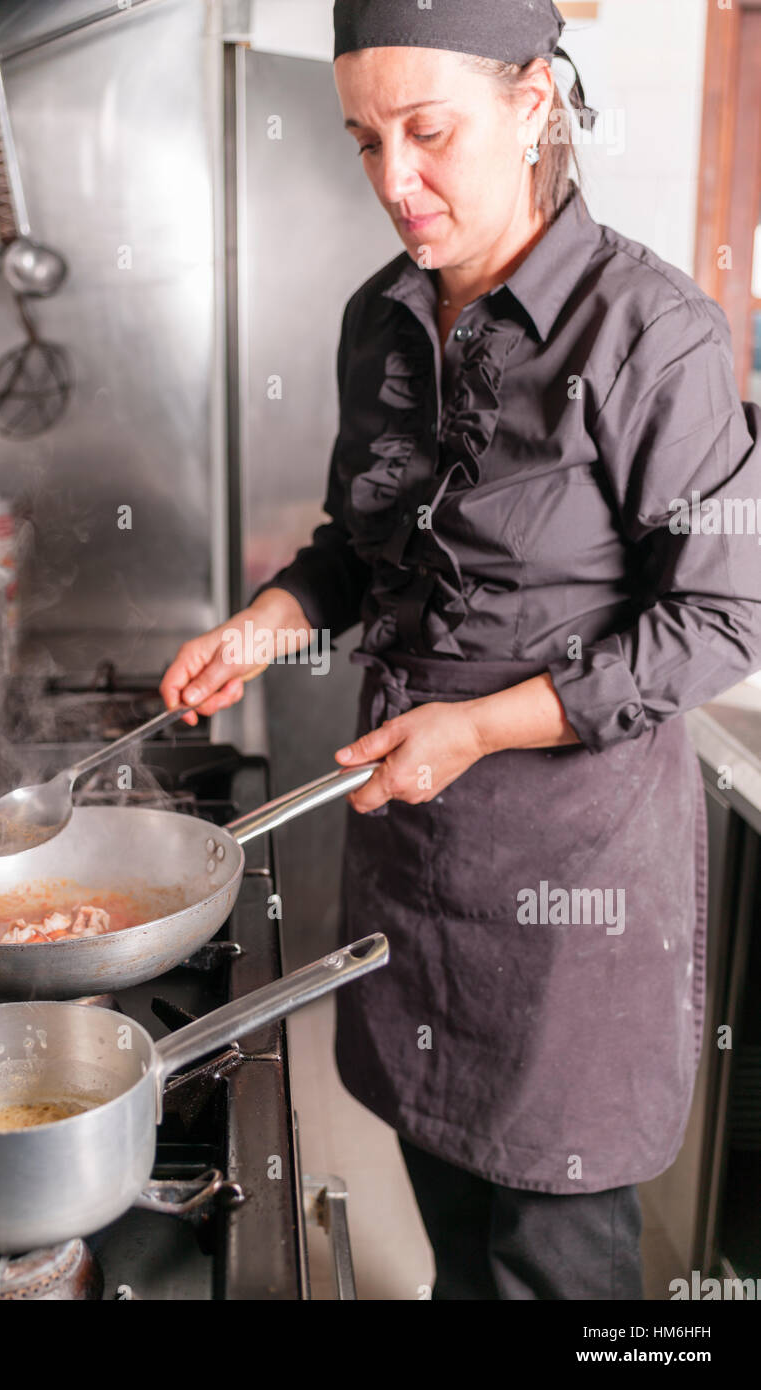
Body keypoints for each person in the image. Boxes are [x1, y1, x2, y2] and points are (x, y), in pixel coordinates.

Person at [161, 0, 761, 1299]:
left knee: (550, 1254)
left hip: (575, 893)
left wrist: (481, 725)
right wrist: (271, 620)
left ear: (532, 100)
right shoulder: (380, 319)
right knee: (443, 1214)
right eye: (363, 141)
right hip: (414, 861)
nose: (393, 180)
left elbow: (722, 616)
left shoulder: (653, 336)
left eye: (426, 132)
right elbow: (360, 551)